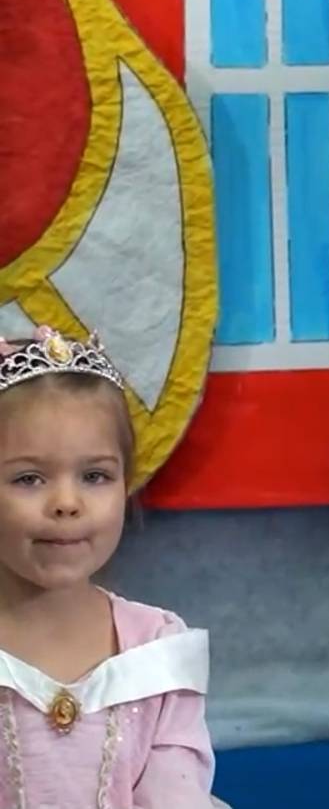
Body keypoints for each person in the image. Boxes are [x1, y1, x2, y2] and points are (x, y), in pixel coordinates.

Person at [0, 330, 215, 808]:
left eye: (94, 476)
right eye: (29, 479)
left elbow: (174, 792)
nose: (67, 503)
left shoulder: (157, 647)